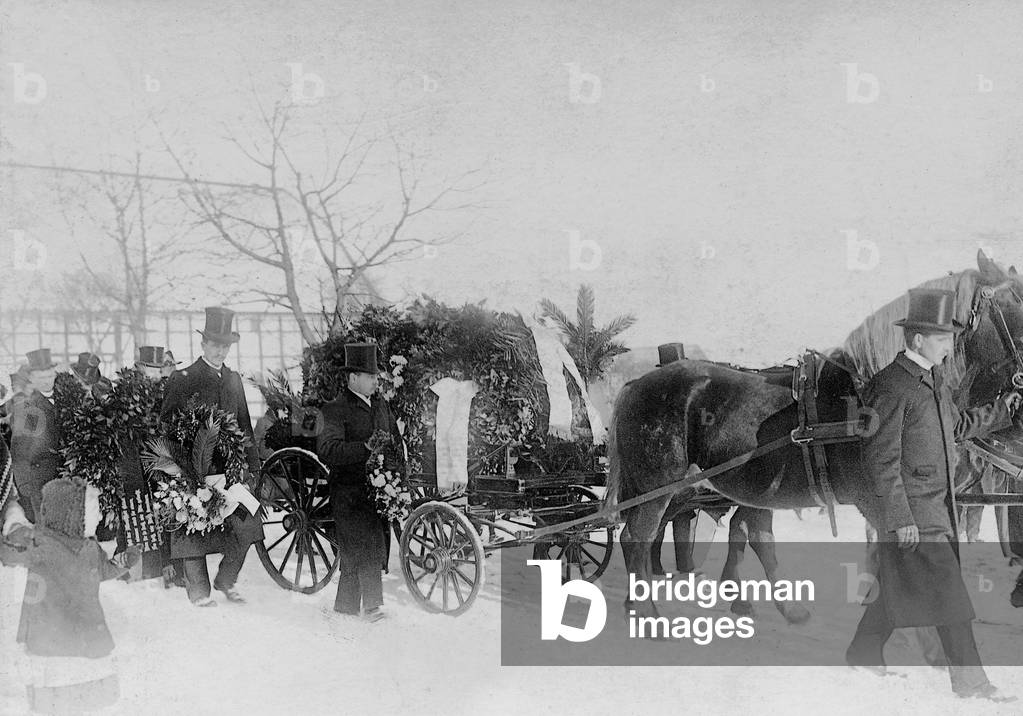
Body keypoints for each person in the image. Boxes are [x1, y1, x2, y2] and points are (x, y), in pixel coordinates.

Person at [846, 288, 1022, 702]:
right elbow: (879, 462)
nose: (951, 346)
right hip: (915, 515)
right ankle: (972, 684)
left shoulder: (931, 381)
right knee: (950, 599)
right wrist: (901, 519)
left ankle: (863, 650)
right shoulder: (891, 387)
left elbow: (955, 427)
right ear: (919, 339)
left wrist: (1005, 409)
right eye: (944, 339)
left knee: (894, 591)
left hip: (935, 510)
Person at [160, 307, 262, 607]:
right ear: (203, 344)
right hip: (194, 466)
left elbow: (243, 422)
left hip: (229, 468)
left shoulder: (233, 379)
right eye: (215, 344)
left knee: (248, 524)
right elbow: (166, 424)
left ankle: (226, 579)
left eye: (225, 345)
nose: (220, 350)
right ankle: (199, 592)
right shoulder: (183, 378)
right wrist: (178, 467)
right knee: (192, 524)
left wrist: (252, 464)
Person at [15, 476, 139, 713]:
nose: (100, 517)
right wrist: (27, 638)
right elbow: (31, 599)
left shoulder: (89, 547)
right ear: (72, 514)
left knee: (90, 698)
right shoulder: (43, 550)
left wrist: (123, 562)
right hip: (55, 643)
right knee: (60, 700)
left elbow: (101, 570)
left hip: (88, 634)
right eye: (94, 510)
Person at [316, 343, 403, 622]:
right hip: (348, 491)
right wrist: (364, 448)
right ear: (353, 377)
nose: (376, 381)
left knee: (368, 547)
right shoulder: (334, 409)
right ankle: (364, 607)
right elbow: (327, 450)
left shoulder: (380, 406)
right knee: (361, 545)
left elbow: (395, 443)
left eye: (376, 376)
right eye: (370, 376)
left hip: (378, 490)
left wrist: (397, 475)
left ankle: (353, 606)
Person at [9, 349, 62, 525]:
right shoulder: (28, 408)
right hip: (40, 482)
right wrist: (25, 488)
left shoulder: (66, 398)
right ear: (31, 378)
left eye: (49, 375)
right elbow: (20, 450)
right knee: (46, 530)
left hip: (63, 477)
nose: (47, 381)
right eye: (41, 377)